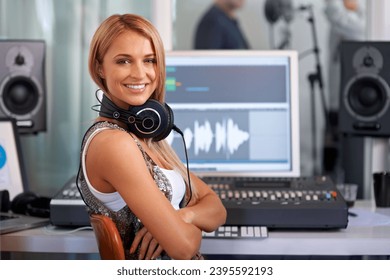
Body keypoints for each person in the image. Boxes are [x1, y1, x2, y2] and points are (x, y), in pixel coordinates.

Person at [77, 14, 227, 260]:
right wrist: (190, 230)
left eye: (149, 60)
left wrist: (183, 217)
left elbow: (217, 208)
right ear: (100, 68)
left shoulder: (145, 136)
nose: (140, 74)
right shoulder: (113, 143)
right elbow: (183, 248)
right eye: (124, 61)